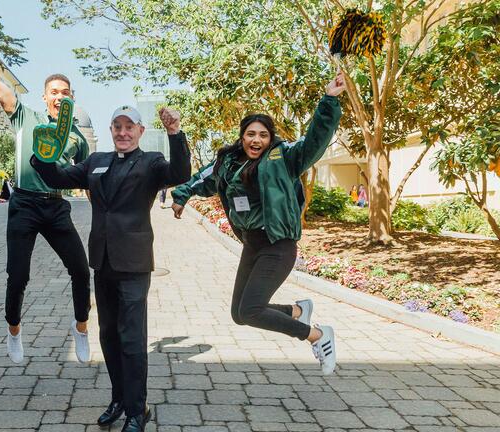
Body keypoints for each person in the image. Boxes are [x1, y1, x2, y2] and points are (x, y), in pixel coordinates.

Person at [171, 73, 346, 375]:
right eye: (251, 134)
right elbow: (203, 179)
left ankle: (318, 335)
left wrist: (329, 101)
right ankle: (298, 311)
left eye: (263, 135)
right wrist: (182, 194)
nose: (257, 140)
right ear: (242, 136)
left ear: (270, 138)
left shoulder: (284, 158)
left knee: (251, 310)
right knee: (240, 313)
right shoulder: (228, 163)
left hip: (278, 245)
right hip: (252, 244)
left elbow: (316, 139)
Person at [31, 105, 191, 432]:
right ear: (110, 130)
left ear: (140, 131)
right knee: (108, 336)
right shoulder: (96, 161)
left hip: (133, 263)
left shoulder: (151, 163)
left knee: (132, 339)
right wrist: (41, 154)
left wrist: (175, 133)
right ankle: (119, 398)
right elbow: (57, 176)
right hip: (102, 262)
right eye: (117, 126)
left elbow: (181, 173)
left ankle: (137, 409)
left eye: (129, 126)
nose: (122, 132)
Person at [0, 20, 92, 364]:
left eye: (65, 92)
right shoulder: (25, 115)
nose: (60, 96)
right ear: (45, 96)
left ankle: (81, 328)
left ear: (71, 97)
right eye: (55, 91)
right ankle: (14, 331)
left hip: (56, 207)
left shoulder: (78, 138)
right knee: (18, 275)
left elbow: (89, 178)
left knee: (81, 270)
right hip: (23, 205)